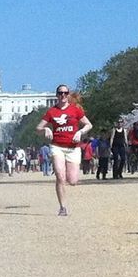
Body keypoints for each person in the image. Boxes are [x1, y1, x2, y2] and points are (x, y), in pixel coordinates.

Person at [37, 85, 90, 214]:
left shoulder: (75, 110)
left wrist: (80, 132)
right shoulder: (51, 111)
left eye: (65, 93)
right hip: (57, 146)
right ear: (56, 95)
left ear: (68, 95)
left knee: (72, 181)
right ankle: (62, 207)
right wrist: (46, 129)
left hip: (73, 147)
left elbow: (89, 124)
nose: (63, 95)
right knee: (60, 177)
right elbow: (38, 128)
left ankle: (66, 170)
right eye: (60, 93)